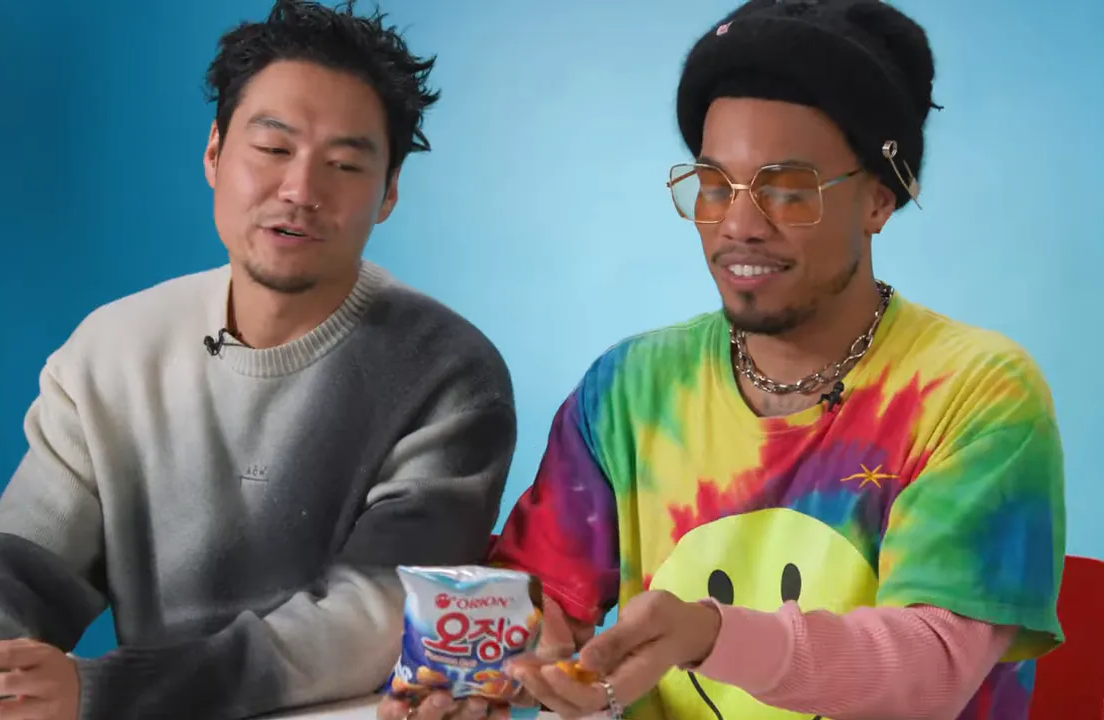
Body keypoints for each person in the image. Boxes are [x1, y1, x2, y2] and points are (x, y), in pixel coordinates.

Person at [380, 1, 1066, 719]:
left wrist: (711, 634)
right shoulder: (631, 388)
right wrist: (499, 674)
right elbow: (544, 603)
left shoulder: (975, 391)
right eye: (714, 186)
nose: (738, 225)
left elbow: (929, 671)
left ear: (879, 199)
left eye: (788, 190)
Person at [0, 1, 518, 719]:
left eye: (343, 164)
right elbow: (28, 561)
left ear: (388, 192)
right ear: (214, 153)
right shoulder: (112, 352)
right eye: (272, 150)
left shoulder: (448, 372)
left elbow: (372, 620)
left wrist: (106, 690)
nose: (300, 190)